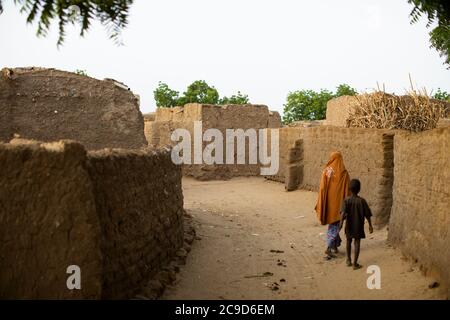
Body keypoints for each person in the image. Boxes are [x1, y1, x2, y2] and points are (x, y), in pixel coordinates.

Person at [315, 151, 350, 259]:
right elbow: (347, 191)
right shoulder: (344, 173)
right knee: (336, 225)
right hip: (339, 206)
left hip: (329, 205)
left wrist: (321, 202)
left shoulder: (326, 171)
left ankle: (334, 246)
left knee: (333, 225)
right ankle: (329, 247)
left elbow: (322, 188)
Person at [339, 179, 374, 270]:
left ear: (349, 189)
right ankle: (355, 263)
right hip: (358, 225)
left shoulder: (346, 200)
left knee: (348, 241)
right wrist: (370, 225)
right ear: (359, 189)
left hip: (349, 225)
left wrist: (341, 223)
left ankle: (348, 260)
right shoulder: (362, 201)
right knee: (357, 242)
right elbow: (367, 214)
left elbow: (342, 213)